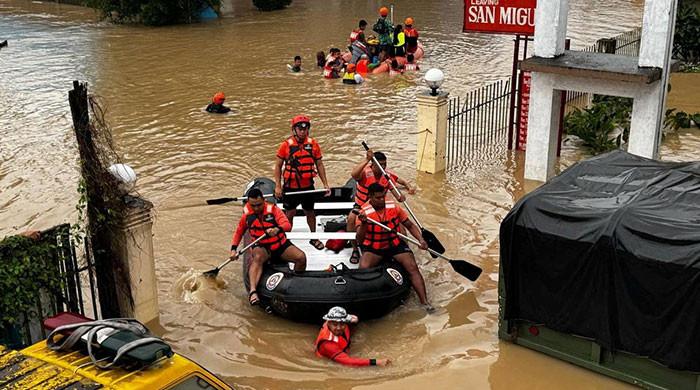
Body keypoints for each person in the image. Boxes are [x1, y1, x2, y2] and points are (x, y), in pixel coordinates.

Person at [356, 183, 433, 312]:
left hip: (394, 245)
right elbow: (359, 239)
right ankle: (363, 303)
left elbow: (409, 225)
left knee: (412, 267)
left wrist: (421, 240)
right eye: (378, 198)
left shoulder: (394, 207)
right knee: (363, 269)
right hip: (375, 248)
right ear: (370, 197)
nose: (382, 200)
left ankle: (425, 303)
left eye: (383, 197)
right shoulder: (363, 212)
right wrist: (364, 223)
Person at [229, 188, 307, 306]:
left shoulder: (273, 210)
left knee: (301, 257)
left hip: (279, 245)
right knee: (258, 257)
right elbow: (239, 232)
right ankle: (253, 292)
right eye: (253, 205)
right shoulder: (247, 216)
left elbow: (287, 225)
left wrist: (277, 229)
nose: (256, 208)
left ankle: (296, 283)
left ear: (264, 201)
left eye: (259, 205)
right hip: (262, 247)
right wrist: (233, 249)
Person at [346, 149, 414, 263]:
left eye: (384, 164)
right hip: (361, 206)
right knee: (351, 219)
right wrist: (367, 159)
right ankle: (355, 249)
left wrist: (401, 196)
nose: (383, 167)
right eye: (380, 164)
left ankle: (404, 248)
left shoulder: (386, 176)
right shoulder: (364, 174)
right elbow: (353, 174)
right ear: (373, 164)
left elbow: (395, 190)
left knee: (399, 222)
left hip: (380, 206)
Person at [274, 115, 330, 251]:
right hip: (291, 187)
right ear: (294, 130)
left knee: (310, 212)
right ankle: (286, 239)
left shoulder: (313, 144)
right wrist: (278, 186)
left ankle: (314, 237)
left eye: (305, 128)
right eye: (300, 128)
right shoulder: (285, 146)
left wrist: (325, 184)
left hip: (307, 187)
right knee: (290, 214)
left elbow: (320, 165)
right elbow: (277, 166)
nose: (303, 131)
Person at [315, 306, 390, 367]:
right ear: (328, 323)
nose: (339, 328)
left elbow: (352, 319)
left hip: (343, 347)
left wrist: (354, 322)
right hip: (332, 359)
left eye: (342, 324)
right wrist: (376, 362)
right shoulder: (327, 345)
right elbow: (348, 361)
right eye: (335, 324)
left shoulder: (345, 322)